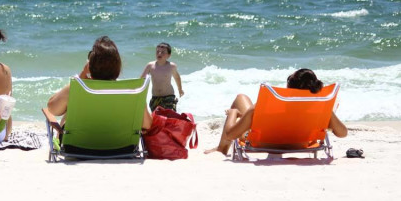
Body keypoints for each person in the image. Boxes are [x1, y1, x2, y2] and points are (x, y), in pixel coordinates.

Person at [207, 68, 348, 155]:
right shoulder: (318, 112)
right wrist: (328, 111)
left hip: (263, 142)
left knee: (241, 98)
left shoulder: (266, 106)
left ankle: (221, 149)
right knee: (249, 112)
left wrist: (233, 113)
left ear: (289, 87)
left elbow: (230, 135)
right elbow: (343, 133)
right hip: (300, 143)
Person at [47, 36, 153, 131]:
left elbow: (52, 110)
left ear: (90, 66)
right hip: (121, 148)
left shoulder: (76, 88)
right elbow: (147, 125)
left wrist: (82, 75)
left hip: (77, 148)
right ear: (118, 67)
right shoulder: (133, 91)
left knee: (69, 112)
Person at [140, 42, 184, 112]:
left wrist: (180, 89)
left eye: (163, 52)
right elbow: (141, 80)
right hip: (155, 98)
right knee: (157, 119)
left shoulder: (171, 66)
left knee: (170, 116)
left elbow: (177, 77)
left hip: (169, 97)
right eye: (157, 51)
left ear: (168, 55)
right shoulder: (150, 66)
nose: (159, 53)